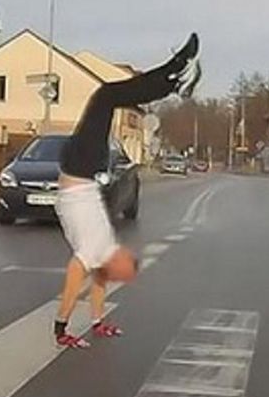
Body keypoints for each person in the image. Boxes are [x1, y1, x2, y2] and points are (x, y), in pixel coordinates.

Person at [53, 33, 201, 348]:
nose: (126, 254)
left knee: (106, 95)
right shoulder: (105, 251)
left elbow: (76, 273)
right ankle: (173, 81)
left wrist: (61, 326)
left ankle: (174, 75)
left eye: (125, 261)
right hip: (84, 174)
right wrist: (97, 321)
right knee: (108, 97)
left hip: (77, 173)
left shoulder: (93, 252)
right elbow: (99, 285)